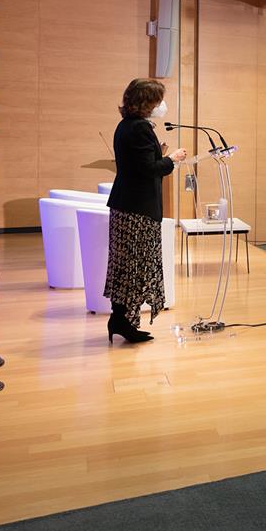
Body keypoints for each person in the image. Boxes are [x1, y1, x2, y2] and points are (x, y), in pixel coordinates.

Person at [105, 79, 187, 344]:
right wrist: (171, 159)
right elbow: (148, 169)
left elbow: (139, 163)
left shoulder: (127, 125)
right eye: (158, 100)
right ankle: (122, 322)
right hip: (136, 210)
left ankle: (121, 320)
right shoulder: (139, 128)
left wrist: (158, 157)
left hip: (128, 205)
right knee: (134, 266)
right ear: (146, 102)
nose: (162, 105)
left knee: (127, 266)